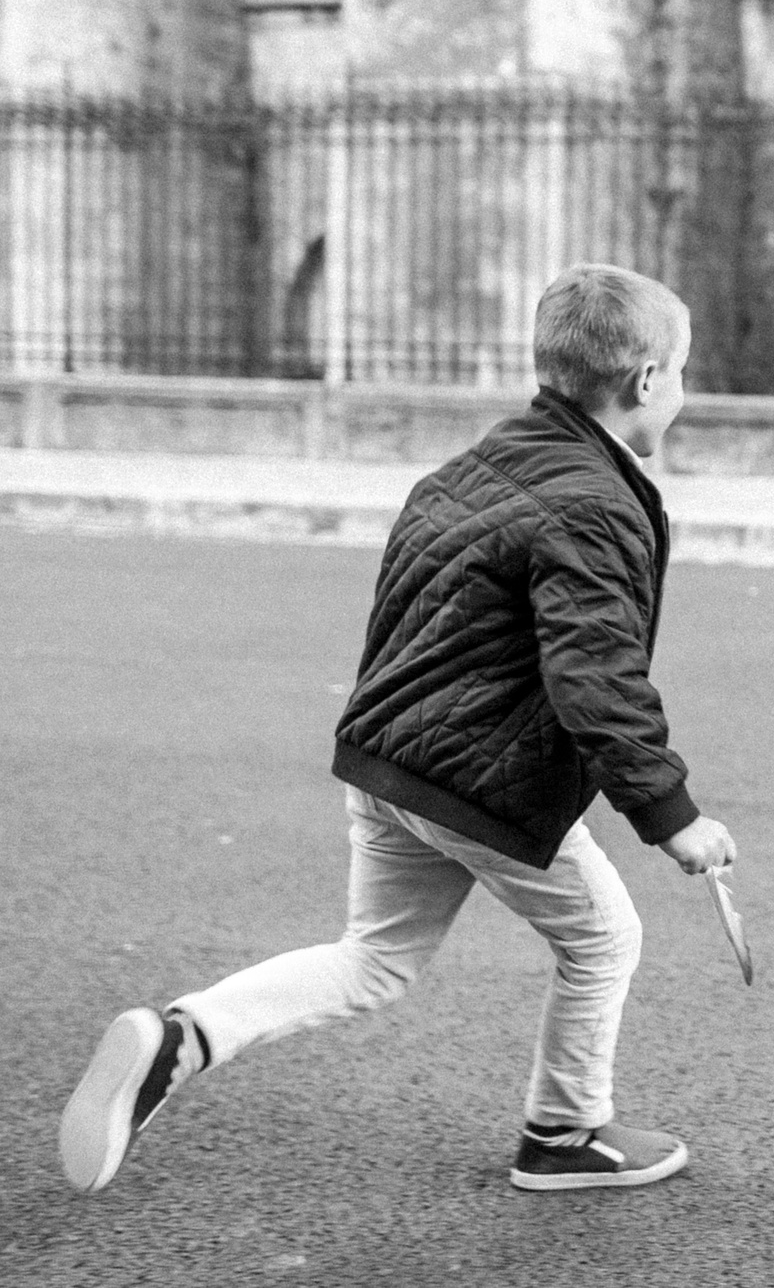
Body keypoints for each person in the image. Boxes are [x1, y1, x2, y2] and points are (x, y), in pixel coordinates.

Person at [59, 263, 737, 1195]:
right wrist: (673, 815)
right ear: (647, 381)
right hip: (473, 776)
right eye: (684, 374)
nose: (683, 395)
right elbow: (596, 678)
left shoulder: (466, 469)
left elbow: (408, 617)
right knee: (603, 940)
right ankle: (565, 1135)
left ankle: (184, 1036)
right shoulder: (594, 501)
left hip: (388, 759)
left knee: (374, 958)